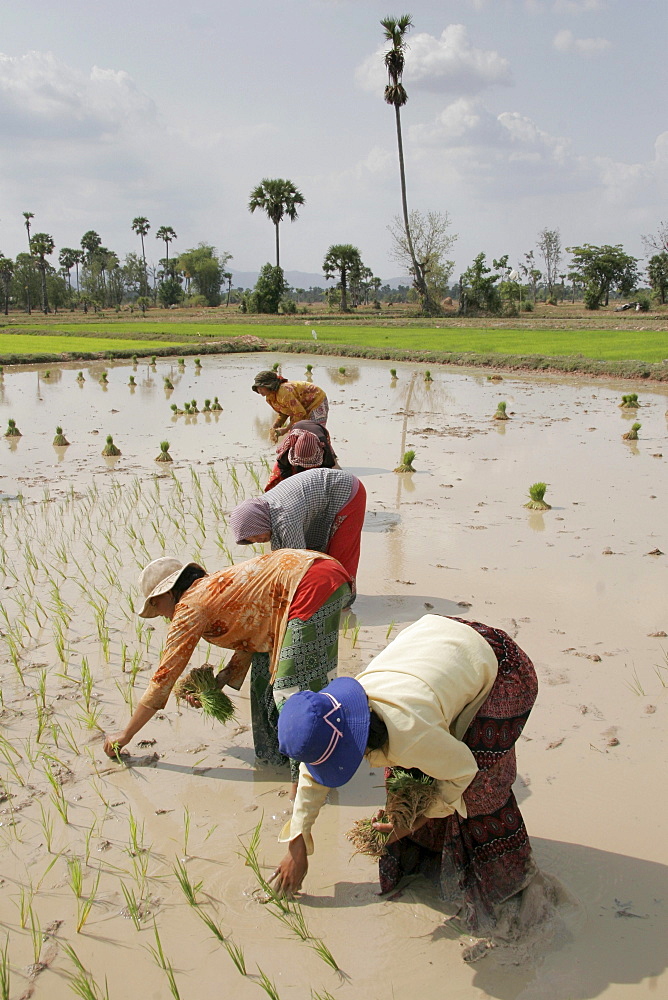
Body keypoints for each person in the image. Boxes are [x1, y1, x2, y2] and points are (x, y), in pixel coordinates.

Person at [271, 614, 539, 934]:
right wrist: (297, 842)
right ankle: (429, 863)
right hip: (444, 649)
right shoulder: (340, 713)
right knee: (404, 783)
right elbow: (311, 772)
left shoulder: (409, 730)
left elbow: (462, 772)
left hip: (502, 668)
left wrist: (414, 820)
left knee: (479, 788)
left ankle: (509, 884)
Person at [102, 550, 351, 789]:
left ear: (168, 594)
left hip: (312, 583)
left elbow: (163, 678)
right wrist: (220, 680)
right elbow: (254, 636)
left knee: (290, 691)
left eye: (156, 606)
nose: (162, 616)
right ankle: (277, 760)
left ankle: (309, 784)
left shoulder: (190, 607)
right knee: (265, 679)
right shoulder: (212, 589)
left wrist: (125, 735)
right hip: (317, 572)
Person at [229, 467, 366, 594]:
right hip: (323, 494)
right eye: (251, 541)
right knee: (320, 558)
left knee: (340, 556)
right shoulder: (263, 509)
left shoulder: (285, 520)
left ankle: (344, 603)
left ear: (259, 522)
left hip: (346, 491)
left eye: (255, 535)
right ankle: (327, 596)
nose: (257, 541)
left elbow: (298, 565)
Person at [252, 371, 328, 441]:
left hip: (316, 399)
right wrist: (275, 427)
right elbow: (283, 412)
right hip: (301, 406)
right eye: (258, 388)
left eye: (261, 388)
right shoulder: (270, 398)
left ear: (269, 386)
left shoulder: (284, 393)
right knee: (297, 434)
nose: (259, 390)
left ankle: (327, 454)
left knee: (315, 432)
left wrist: (286, 429)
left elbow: (300, 413)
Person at [264, 420, 338, 491]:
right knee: (278, 475)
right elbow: (283, 468)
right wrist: (291, 484)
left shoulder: (323, 445)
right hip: (297, 427)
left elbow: (328, 467)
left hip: (319, 431)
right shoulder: (288, 447)